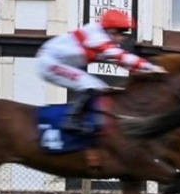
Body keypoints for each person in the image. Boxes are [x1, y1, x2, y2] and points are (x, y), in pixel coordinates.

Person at [36, 9, 166, 133]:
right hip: (50, 62)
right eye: (120, 34)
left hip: (58, 61)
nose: (122, 38)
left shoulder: (100, 36)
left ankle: (83, 118)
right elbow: (120, 56)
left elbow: (123, 63)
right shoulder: (96, 37)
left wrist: (146, 73)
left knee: (99, 87)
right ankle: (70, 121)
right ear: (111, 31)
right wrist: (151, 67)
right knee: (91, 85)